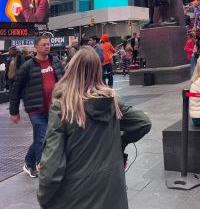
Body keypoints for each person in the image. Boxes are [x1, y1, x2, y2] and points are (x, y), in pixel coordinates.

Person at [37, 46, 152, 209]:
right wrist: (122, 142)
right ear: (98, 71)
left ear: (72, 69)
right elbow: (143, 123)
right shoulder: (112, 102)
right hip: (113, 197)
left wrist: (43, 197)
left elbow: (51, 167)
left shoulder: (63, 108)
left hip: (76, 198)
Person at [9, 35, 64, 178]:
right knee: (43, 138)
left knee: (43, 137)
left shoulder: (56, 62)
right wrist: (14, 112)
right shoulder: (27, 67)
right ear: (36, 48)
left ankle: (28, 163)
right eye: (44, 44)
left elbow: (65, 81)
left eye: (48, 44)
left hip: (54, 108)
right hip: (36, 110)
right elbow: (16, 90)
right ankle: (43, 170)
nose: (47, 46)